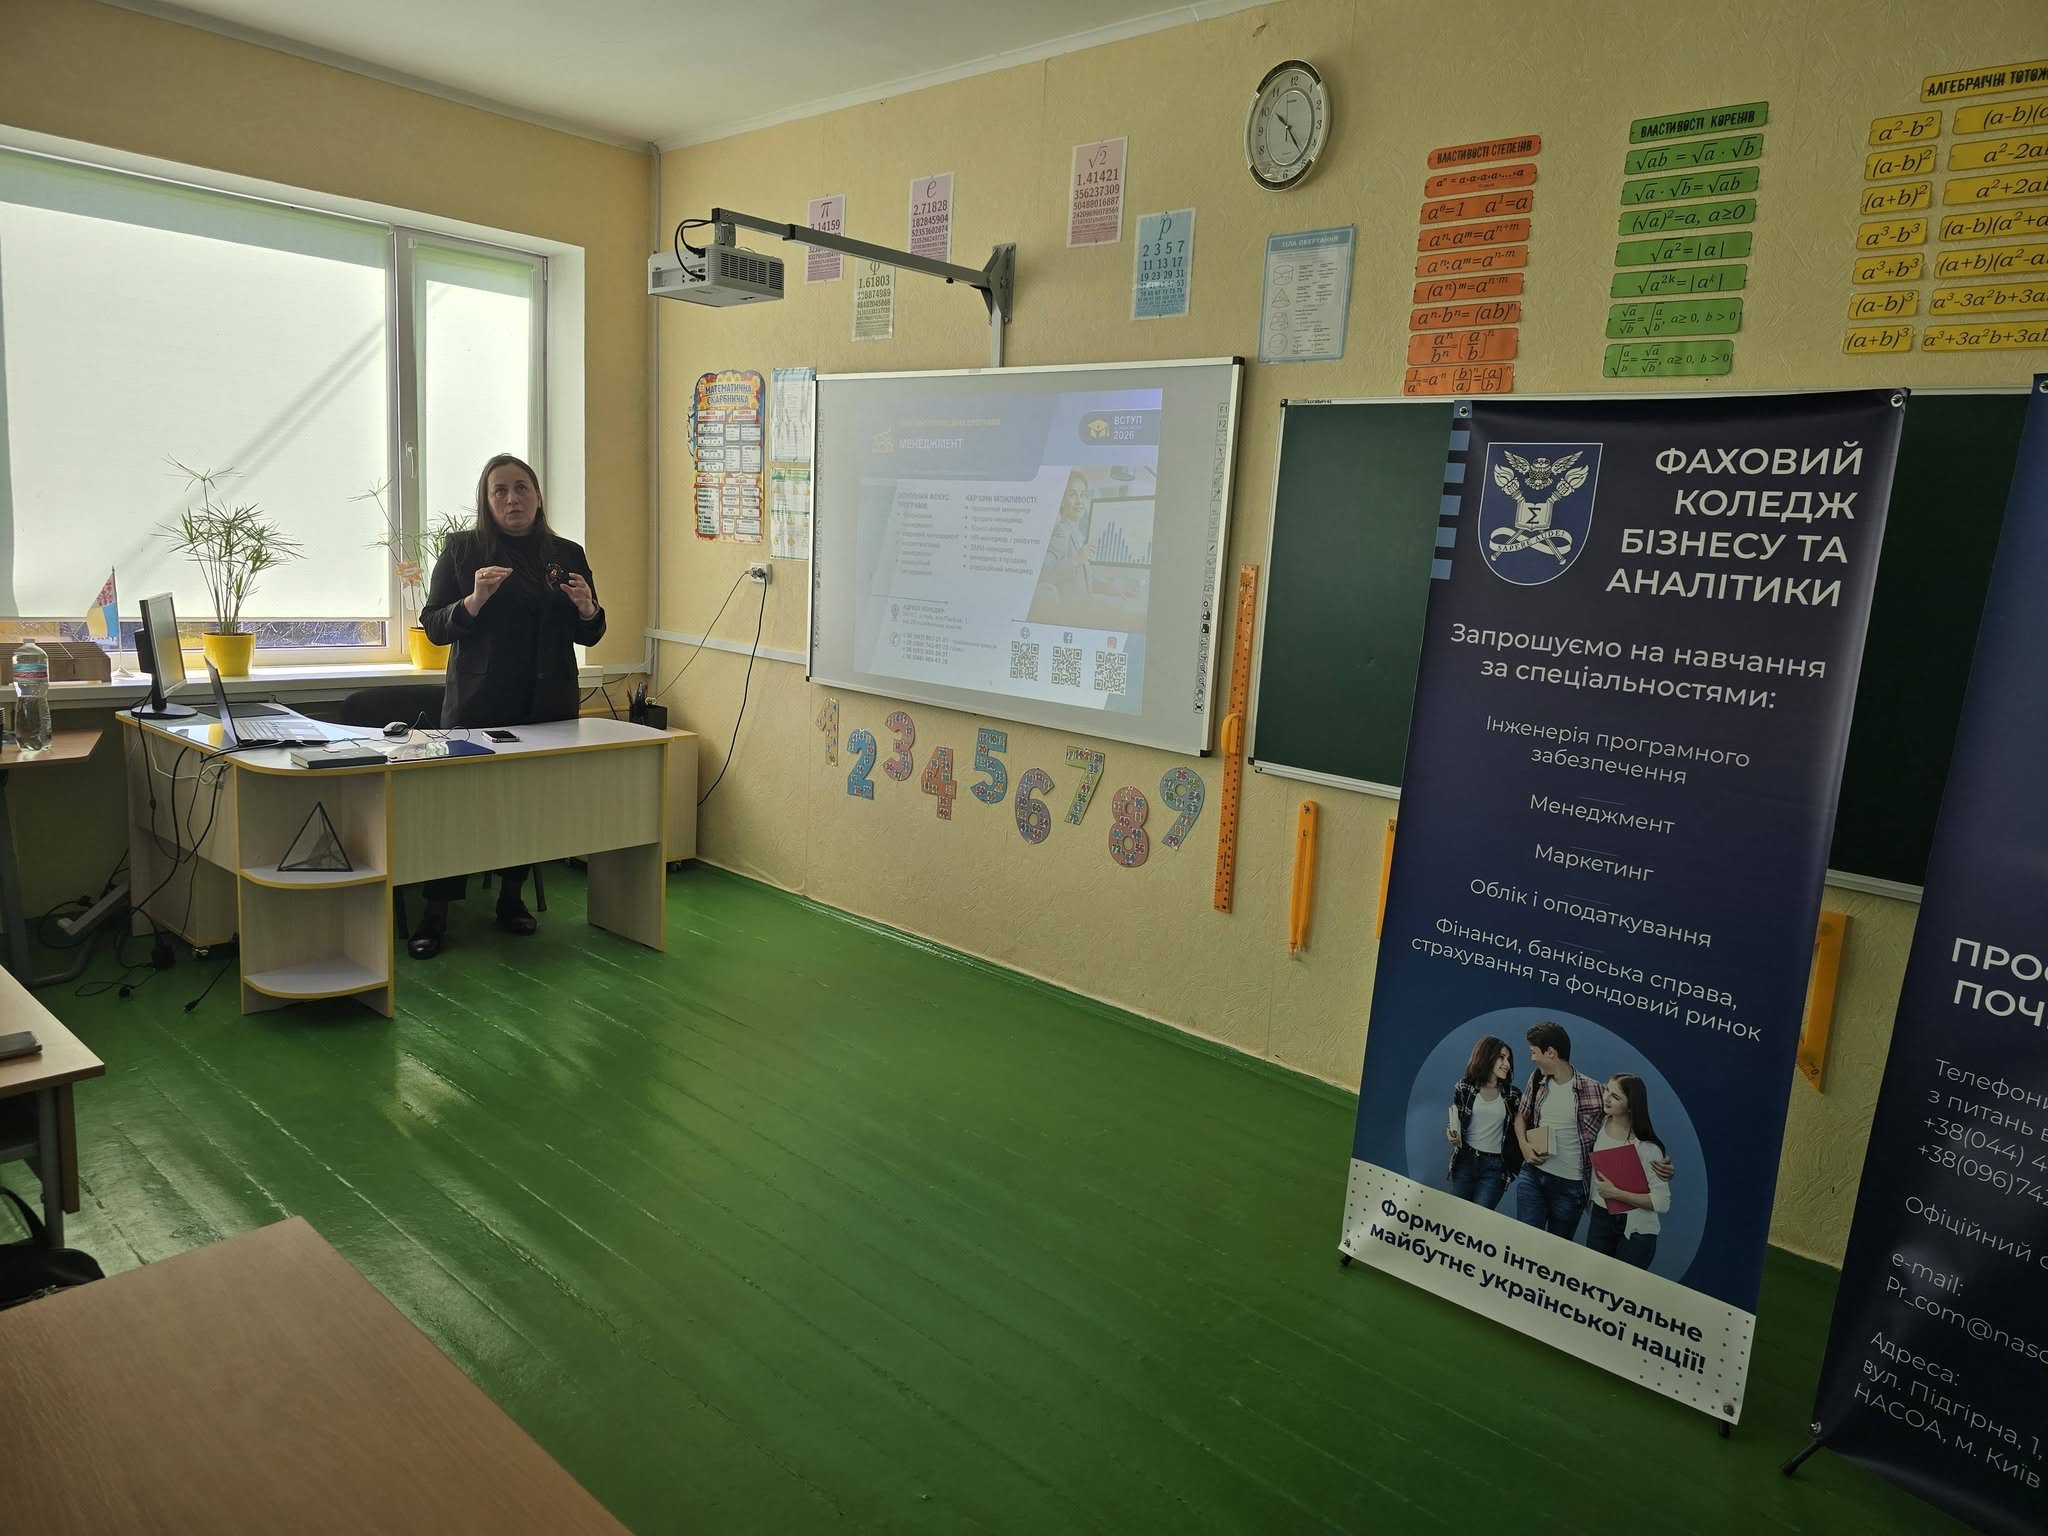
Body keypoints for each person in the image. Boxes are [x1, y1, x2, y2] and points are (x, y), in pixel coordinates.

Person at [407, 453, 605, 959]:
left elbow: (590, 631)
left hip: (547, 704)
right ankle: (435, 912)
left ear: (537, 496)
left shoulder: (566, 553)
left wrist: (588, 608)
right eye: (500, 490)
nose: (512, 499)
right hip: (478, 706)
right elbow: (434, 625)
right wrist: (473, 601)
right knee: (456, 812)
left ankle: (511, 899)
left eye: (521, 488)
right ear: (487, 500)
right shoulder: (463, 550)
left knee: (528, 806)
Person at [1510, 1020, 1605, 1238]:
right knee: (1525, 1241)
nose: (1532, 1058)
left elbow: (1622, 1130)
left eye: (1534, 1052)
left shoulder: (1596, 1090)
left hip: (1570, 1188)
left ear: (1551, 1052)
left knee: (1555, 1250)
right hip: (1533, 1177)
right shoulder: (1537, 1079)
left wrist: (1656, 1157)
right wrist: (1523, 1145)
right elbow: (1521, 1116)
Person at [1586, 1074, 1671, 1270]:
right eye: (1607, 1090)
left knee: (1622, 1285)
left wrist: (1615, 1193)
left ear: (1631, 1106)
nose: (1606, 1098)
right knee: (1592, 1279)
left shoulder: (1647, 1147)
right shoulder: (1601, 1123)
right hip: (1600, 1218)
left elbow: (1662, 1202)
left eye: (1615, 1097)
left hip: (1635, 1230)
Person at [1445, 1035, 1521, 1209]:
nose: (1507, 1064)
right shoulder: (1464, 1087)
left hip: (1495, 1167)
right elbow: (1455, 1121)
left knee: (1479, 1219)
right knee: (1454, 1214)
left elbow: (1520, 1130)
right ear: (1487, 1056)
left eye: (1508, 1059)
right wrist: (1451, 1133)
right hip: (1465, 1160)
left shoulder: (1512, 1095)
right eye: (1501, 1057)